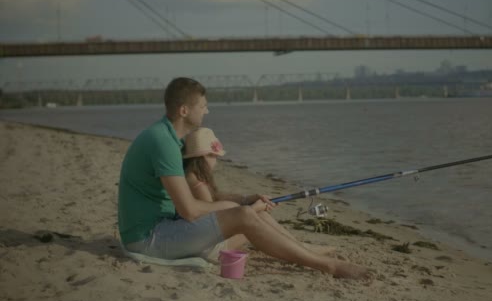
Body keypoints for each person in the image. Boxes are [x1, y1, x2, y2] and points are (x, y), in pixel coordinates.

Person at [118, 77, 369, 279]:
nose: (207, 110)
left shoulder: (168, 139)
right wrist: (237, 206)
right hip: (149, 238)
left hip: (165, 227)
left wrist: (245, 199)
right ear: (184, 110)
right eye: (203, 106)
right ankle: (327, 266)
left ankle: (303, 250)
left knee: (249, 213)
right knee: (244, 215)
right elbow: (191, 210)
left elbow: (194, 204)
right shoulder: (163, 143)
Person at [182, 127, 336, 257]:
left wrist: (246, 199)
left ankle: (298, 246)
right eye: (214, 156)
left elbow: (216, 198)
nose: (216, 160)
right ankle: (299, 249)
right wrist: (253, 209)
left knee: (259, 216)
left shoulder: (194, 177)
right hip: (208, 247)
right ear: (203, 157)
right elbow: (211, 219)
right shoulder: (197, 183)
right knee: (256, 220)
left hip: (205, 240)